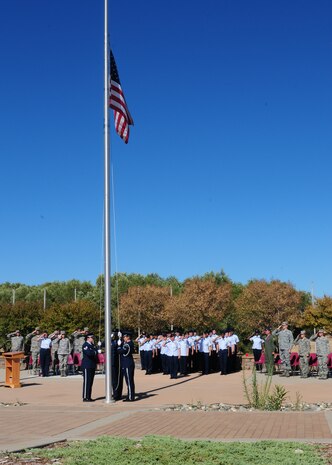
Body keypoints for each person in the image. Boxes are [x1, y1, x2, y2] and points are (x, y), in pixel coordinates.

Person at [117, 331, 135, 401]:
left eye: (124, 337)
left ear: (128, 337)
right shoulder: (126, 344)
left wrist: (118, 347)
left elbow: (121, 351)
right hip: (126, 364)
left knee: (129, 381)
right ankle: (130, 396)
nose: (123, 338)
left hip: (127, 364)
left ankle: (130, 397)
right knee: (128, 381)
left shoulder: (128, 344)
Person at [81, 333, 98, 402]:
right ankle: (85, 397)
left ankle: (89, 396)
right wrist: (95, 352)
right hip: (87, 365)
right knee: (87, 381)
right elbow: (89, 353)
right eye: (92, 338)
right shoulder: (85, 345)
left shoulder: (92, 345)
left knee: (90, 382)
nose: (93, 339)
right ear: (88, 338)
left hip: (92, 365)